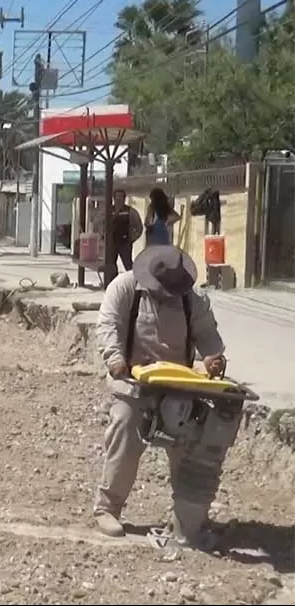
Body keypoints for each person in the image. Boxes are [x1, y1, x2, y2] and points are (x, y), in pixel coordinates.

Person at [93, 244, 228, 546]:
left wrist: (213, 359)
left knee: (192, 445)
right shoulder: (124, 288)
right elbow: (107, 326)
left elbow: (209, 338)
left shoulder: (194, 300)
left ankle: (188, 518)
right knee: (126, 430)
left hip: (178, 384)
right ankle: (107, 508)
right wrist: (115, 359)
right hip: (132, 381)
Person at [110, 188, 143, 272]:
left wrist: (132, 238)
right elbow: (98, 221)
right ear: (113, 198)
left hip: (124, 243)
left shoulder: (130, 211)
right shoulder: (109, 210)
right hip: (111, 242)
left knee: (128, 265)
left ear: (124, 198)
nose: (118, 199)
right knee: (110, 266)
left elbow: (139, 226)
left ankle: (133, 281)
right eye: (116, 197)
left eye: (120, 197)